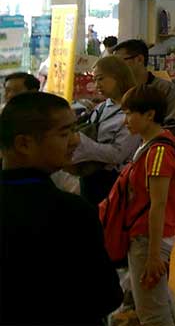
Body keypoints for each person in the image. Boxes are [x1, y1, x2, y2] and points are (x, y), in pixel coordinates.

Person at [0, 92, 123, 324]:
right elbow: (105, 296)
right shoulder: (72, 212)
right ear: (24, 143)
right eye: (65, 133)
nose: (76, 140)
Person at [104, 82, 175, 326]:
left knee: (152, 313)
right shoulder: (150, 146)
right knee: (157, 304)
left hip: (147, 238)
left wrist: (153, 255)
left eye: (130, 114)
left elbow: (157, 205)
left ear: (150, 114)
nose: (125, 121)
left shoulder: (158, 151)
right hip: (145, 236)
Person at [71, 55, 142, 205]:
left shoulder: (134, 110)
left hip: (114, 181)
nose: (97, 85)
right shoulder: (102, 107)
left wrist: (84, 143)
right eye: (95, 79)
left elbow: (118, 154)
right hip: (90, 177)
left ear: (118, 77)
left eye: (101, 79)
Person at [111, 39, 175, 145]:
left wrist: (145, 136)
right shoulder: (120, 90)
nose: (116, 69)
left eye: (120, 62)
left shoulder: (164, 88)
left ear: (139, 59)